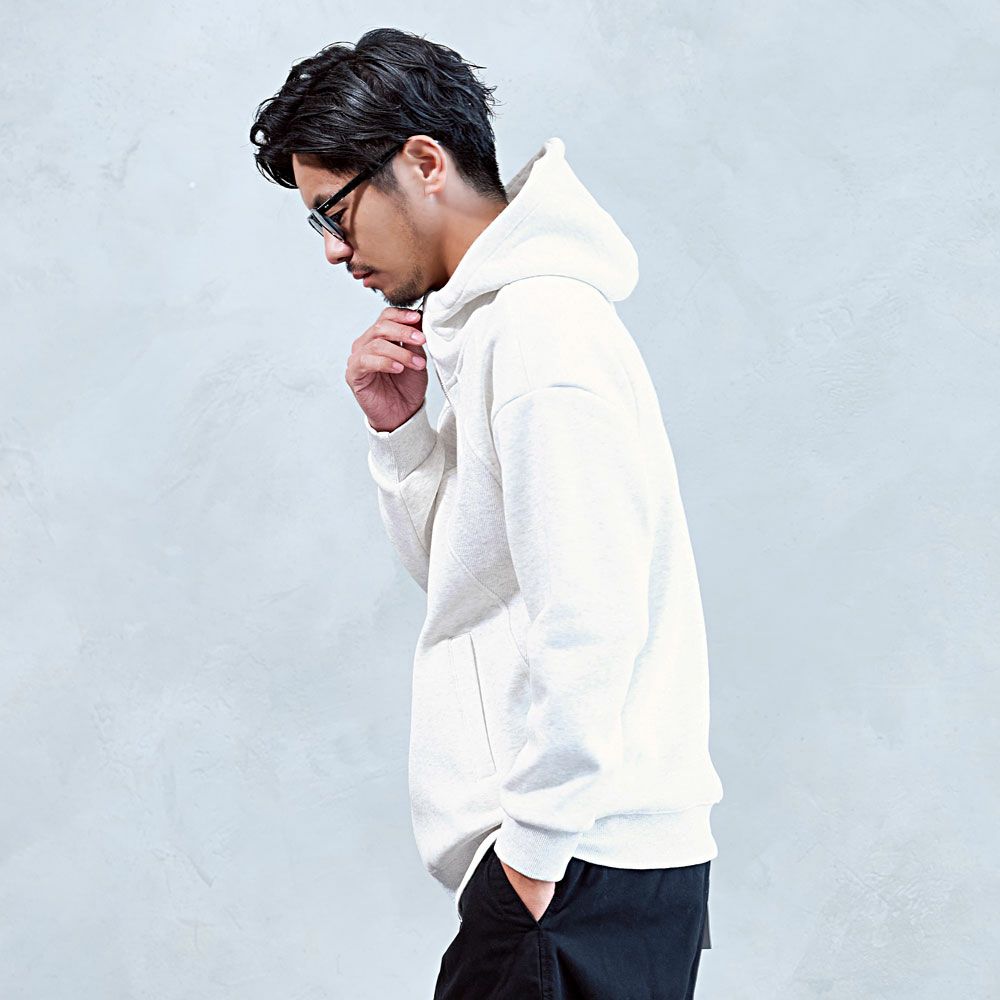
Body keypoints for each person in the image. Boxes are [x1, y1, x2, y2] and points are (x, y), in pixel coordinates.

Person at [250, 27, 723, 999]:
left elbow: (588, 617)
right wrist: (400, 435)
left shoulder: (542, 336)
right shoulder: (491, 325)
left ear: (424, 162)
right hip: (577, 857)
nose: (334, 250)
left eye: (335, 211)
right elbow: (465, 581)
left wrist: (533, 860)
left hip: (576, 858)